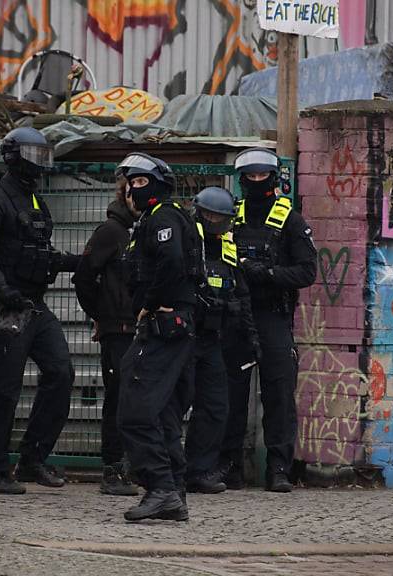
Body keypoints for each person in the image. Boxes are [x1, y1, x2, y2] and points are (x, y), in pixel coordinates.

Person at [0, 127, 80, 494]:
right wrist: (4, 293)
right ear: (13, 156)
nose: (39, 163)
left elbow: (41, 252)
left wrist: (80, 263)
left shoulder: (35, 200)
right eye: (33, 155)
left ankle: (32, 459)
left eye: (43, 155)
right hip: (7, 306)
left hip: (34, 304)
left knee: (61, 373)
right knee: (5, 389)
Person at [219, 148, 317, 493]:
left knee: (278, 394)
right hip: (235, 316)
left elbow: (307, 271)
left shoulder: (290, 219)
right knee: (230, 393)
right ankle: (228, 466)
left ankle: (278, 468)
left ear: (273, 179)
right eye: (251, 177)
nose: (257, 182)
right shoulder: (232, 215)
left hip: (273, 315)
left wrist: (269, 273)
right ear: (242, 180)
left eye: (262, 177)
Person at [117, 154, 202, 522]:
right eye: (129, 184)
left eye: (138, 183)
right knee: (164, 411)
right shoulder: (162, 218)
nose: (131, 191)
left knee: (135, 410)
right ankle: (173, 490)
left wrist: (151, 305)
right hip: (176, 327)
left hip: (163, 326)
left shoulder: (163, 216)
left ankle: (161, 489)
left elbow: (171, 262)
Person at [71, 156, 147, 497]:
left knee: (134, 397)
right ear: (126, 194)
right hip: (118, 331)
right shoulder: (111, 232)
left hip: (136, 328)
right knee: (118, 398)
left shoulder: (137, 231)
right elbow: (83, 277)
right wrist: (101, 314)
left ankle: (132, 465)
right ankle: (113, 469)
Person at [184, 186, 259, 495]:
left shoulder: (227, 250)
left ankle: (198, 470)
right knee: (173, 405)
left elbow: (241, 296)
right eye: (213, 216)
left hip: (214, 340)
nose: (218, 222)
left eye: (223, 218)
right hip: (184, 338)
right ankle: (161, 469)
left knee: (215, 406)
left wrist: (251, 335)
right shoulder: (188, 244)